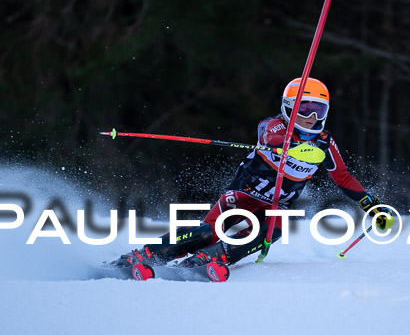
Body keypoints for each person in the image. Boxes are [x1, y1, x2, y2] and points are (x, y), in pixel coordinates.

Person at [110, 77, 393, 269]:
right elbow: (268, 136)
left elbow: (342, 177)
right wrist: (286, 147)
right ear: (290, 108)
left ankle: (216, 258)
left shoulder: (324, 143)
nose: (313, 117)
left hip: (274, 207)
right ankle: (148, 254)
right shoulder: (275, 127)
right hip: (243, 196)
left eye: (319, 110)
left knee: (275, 229)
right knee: (210, 231)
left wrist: (372, 205)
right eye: (306, 108)